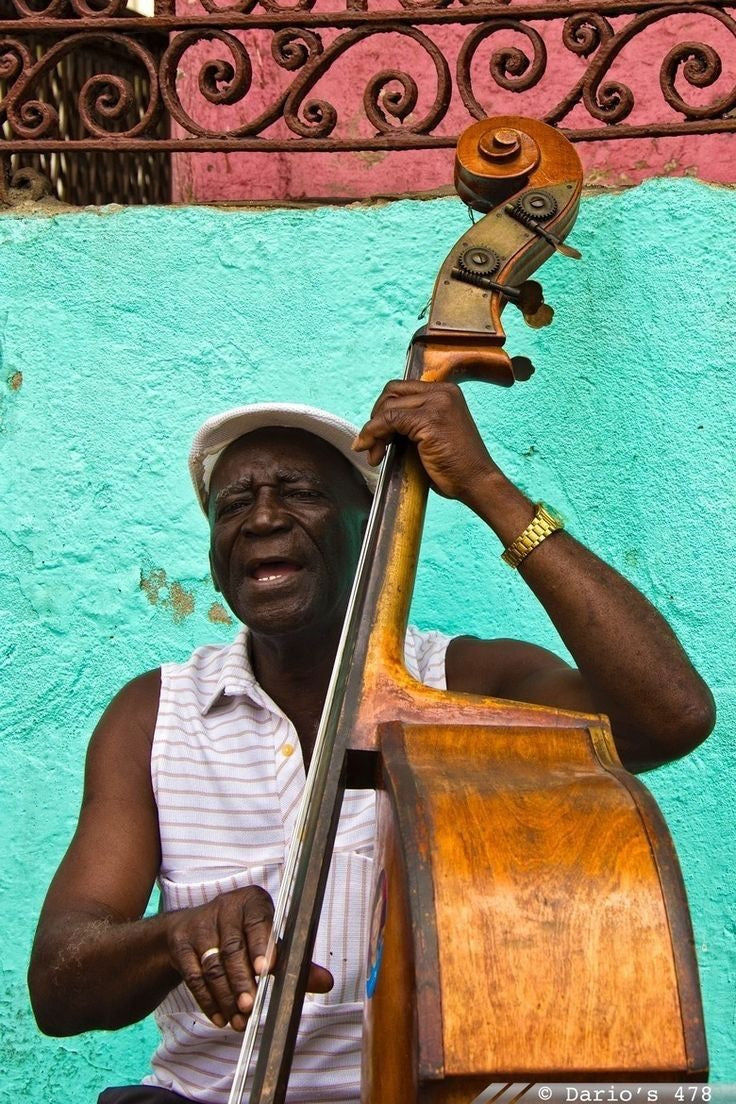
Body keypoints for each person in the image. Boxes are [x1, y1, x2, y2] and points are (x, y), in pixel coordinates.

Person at [28, 381, 715, 1104]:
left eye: (299, 493)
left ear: (373, 527)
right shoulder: (153, 715)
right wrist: (176, 935)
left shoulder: (461, 685)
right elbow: (59, 984)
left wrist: (486, 487)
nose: (263, 518)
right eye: (233, 505)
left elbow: (667, 717)